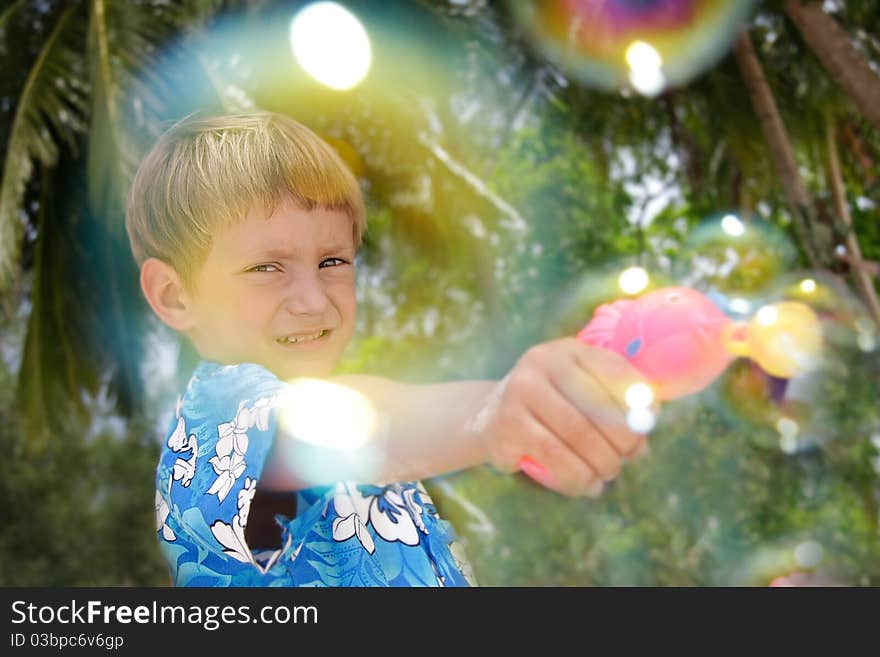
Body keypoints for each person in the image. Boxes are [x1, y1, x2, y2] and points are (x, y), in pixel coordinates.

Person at [126, 111, 653, 587]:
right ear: (175, 297)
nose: (313, 301)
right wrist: (492, 412)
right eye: (267, 268)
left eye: (332, 261)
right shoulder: (218, 422)